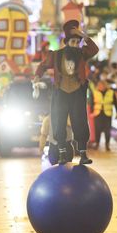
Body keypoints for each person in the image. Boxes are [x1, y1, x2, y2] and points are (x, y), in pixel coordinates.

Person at [33, 19, 99, 164]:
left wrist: (83, 35)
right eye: (73, 42)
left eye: (77, 42)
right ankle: (62, 154)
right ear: (66, 42)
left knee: (80, 122)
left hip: (77, 92)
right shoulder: (56, 55)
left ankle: (83, 155)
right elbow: (43, 65)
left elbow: (94, 49)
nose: (75, 45)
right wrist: (37, 76)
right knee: (58, 122)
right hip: (60, 92)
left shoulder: (82, 54)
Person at [90, 80, 117, 151]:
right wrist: (91, 112)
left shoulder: (111, 92)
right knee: (97, 129)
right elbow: (91, 103)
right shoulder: (95, 92)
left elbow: (115, 102)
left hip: (107, 114)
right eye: (100, 85)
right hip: (97, 113)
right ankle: (97, 143)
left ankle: (107, 144)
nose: (101, 87)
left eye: (102, 85)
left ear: (105, 86)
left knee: (107, 130)